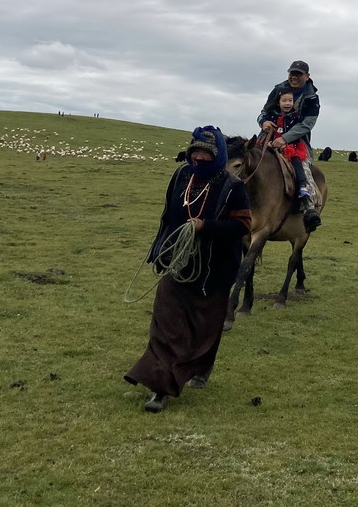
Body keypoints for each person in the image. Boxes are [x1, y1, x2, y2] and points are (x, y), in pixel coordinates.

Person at [124, 126, 252, 413]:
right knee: (166, 323)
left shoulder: (233, 187)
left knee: (205, 329)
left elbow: (243, 226)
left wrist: (205, 226)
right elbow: (168, 215)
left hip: (214, 271)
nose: (199, 159)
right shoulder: (181, 176)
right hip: (179, 265)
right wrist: (160, 249)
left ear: (217, 157)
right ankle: (160, 387)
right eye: (195, 153)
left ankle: (200, 369)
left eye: (206, 155)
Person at [258, 60, 321, 230]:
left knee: (303, 167)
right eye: (292, 73)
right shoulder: (279, 89)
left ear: (307, 77)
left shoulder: (311, 98)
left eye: (298, 74)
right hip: (269, 137)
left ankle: (309, 209)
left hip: (297, 143)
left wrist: (285, 139)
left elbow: (307, 124)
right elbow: (264, 112)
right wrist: (263, 123)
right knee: (250, 160)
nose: (294, 77)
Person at [259, 89, 311, 198]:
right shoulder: (271, 115)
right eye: (284, 100)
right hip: (271, 146)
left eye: (290, 100)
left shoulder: (296, 117)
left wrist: (286, 142)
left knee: (296, 162)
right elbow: (265, 129)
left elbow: (296, 133)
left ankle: (302, 186)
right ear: (279, 102)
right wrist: (267, 142)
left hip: (290, 147)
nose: (288, 103)